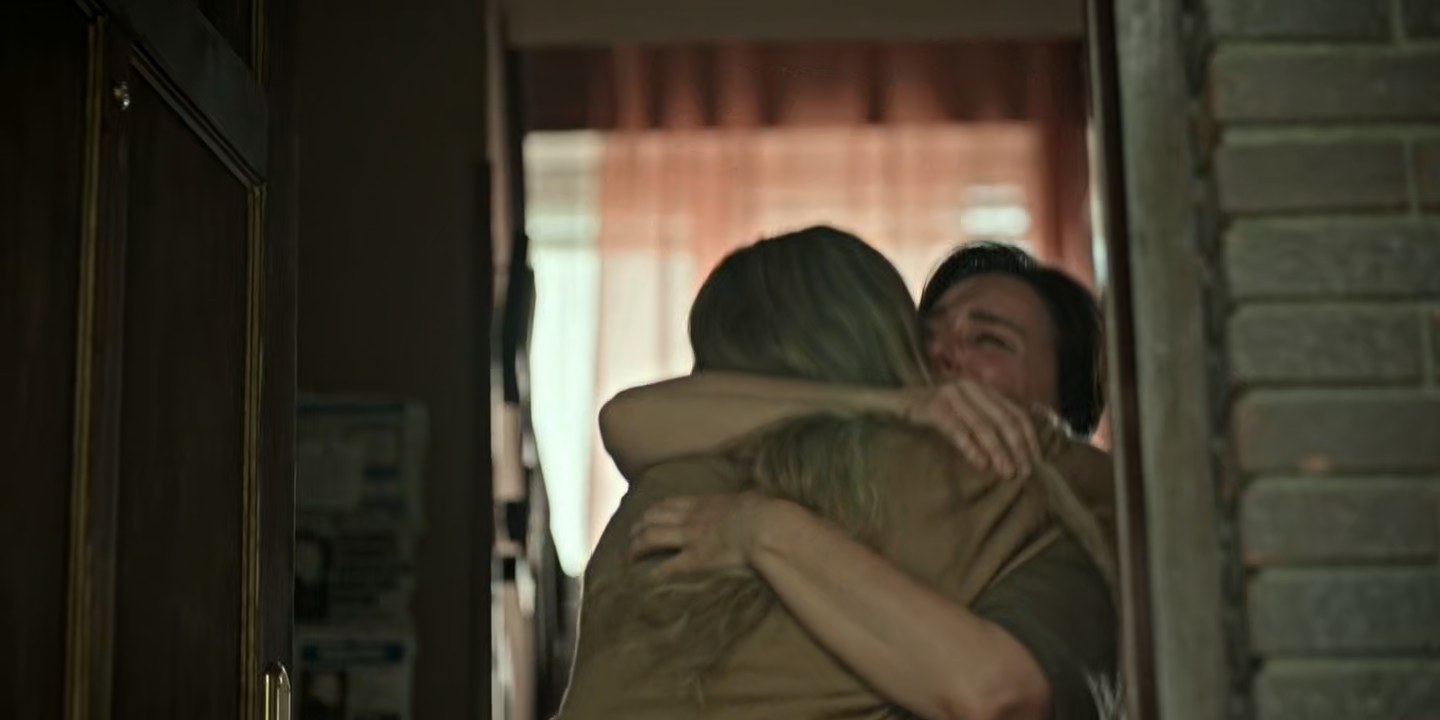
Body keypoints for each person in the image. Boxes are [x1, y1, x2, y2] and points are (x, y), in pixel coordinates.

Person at [556, 228, 1115, 720]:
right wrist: (897, 405)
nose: (942, 352)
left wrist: (762, 530)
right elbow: (628, 419)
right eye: (926, 334)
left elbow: (999, 697)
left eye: (989, 339)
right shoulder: (847, 460)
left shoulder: (1063, 504)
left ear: (1070, 403)